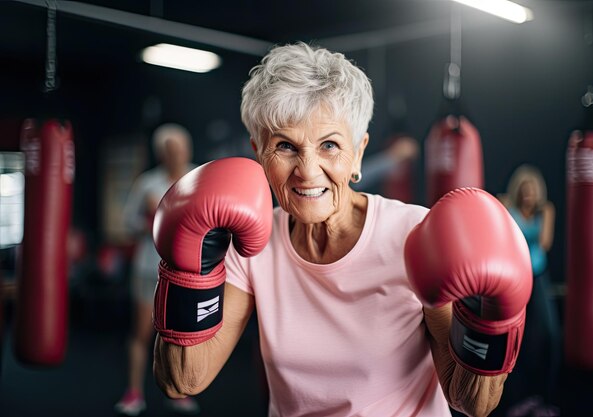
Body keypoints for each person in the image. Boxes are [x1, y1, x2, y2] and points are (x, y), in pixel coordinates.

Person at [150, 42, 533, 417]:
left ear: (359, 153)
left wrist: (485, 321)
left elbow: (474, 404)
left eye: (329, 145)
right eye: (285, 146)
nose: (308, 170)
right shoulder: (252, 246)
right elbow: (182, 380)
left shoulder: (414, 235)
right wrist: (193, 269)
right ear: (258, 153)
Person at [114, 123, 200, 416]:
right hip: (148, 269)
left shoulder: (199, 178)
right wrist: (151, 219)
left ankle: (177, 391)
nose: (178, 154)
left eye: (182, 148)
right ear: (161, 154)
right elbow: (126, 225)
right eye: (171, 150)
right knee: (141, 332)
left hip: (185, 272)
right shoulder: (147, 184)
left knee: (180, 335)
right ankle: (134, 393)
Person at [500, 165, 561, 417]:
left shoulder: (545, 211)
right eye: (523, 189)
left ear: (538, 192)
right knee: (516, 340)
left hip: (539, 278)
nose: (527, 194)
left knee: (549, 335)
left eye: (531, 189)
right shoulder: (507, 207)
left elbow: (544, 243)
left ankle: (544, 399)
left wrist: (543, 213)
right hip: (515, 278)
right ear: (517, 191)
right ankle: (518, 400)